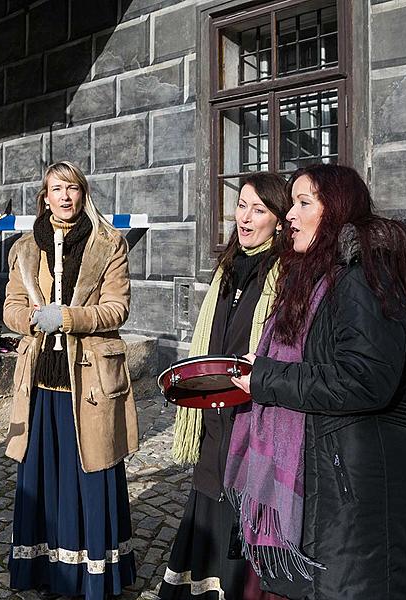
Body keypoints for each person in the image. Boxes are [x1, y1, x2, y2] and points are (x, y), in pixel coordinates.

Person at [228, 164, 406, 599]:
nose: (289, 216)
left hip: (356, 484)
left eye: (303, 203)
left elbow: (366, 378)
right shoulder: (315, 275)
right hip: (329, 477)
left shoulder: (364, 278)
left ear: (334, 211)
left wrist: (266, 377)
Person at [3, 161, 137, 599]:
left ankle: (95, 575)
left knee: (91, 472)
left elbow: (117, 309)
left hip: (92, 382)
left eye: (73, 188)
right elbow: (11, 308)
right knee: (44, 478)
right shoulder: (24, 248)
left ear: (83, 193)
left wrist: (69, 318)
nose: (65, 196)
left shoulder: (109, 244)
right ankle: (46, 572)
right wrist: (34, 322)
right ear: (44, 197)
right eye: (56, 189)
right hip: (41, 383)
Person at [159, 173, 290, 600]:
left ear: (278, 219)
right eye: (241, 206)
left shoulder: (286, 272)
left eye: (259, 209)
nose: (245, 218)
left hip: (253, 410)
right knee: (210, 487)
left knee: (239, 496)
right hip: (214, 403)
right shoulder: (228, 267)